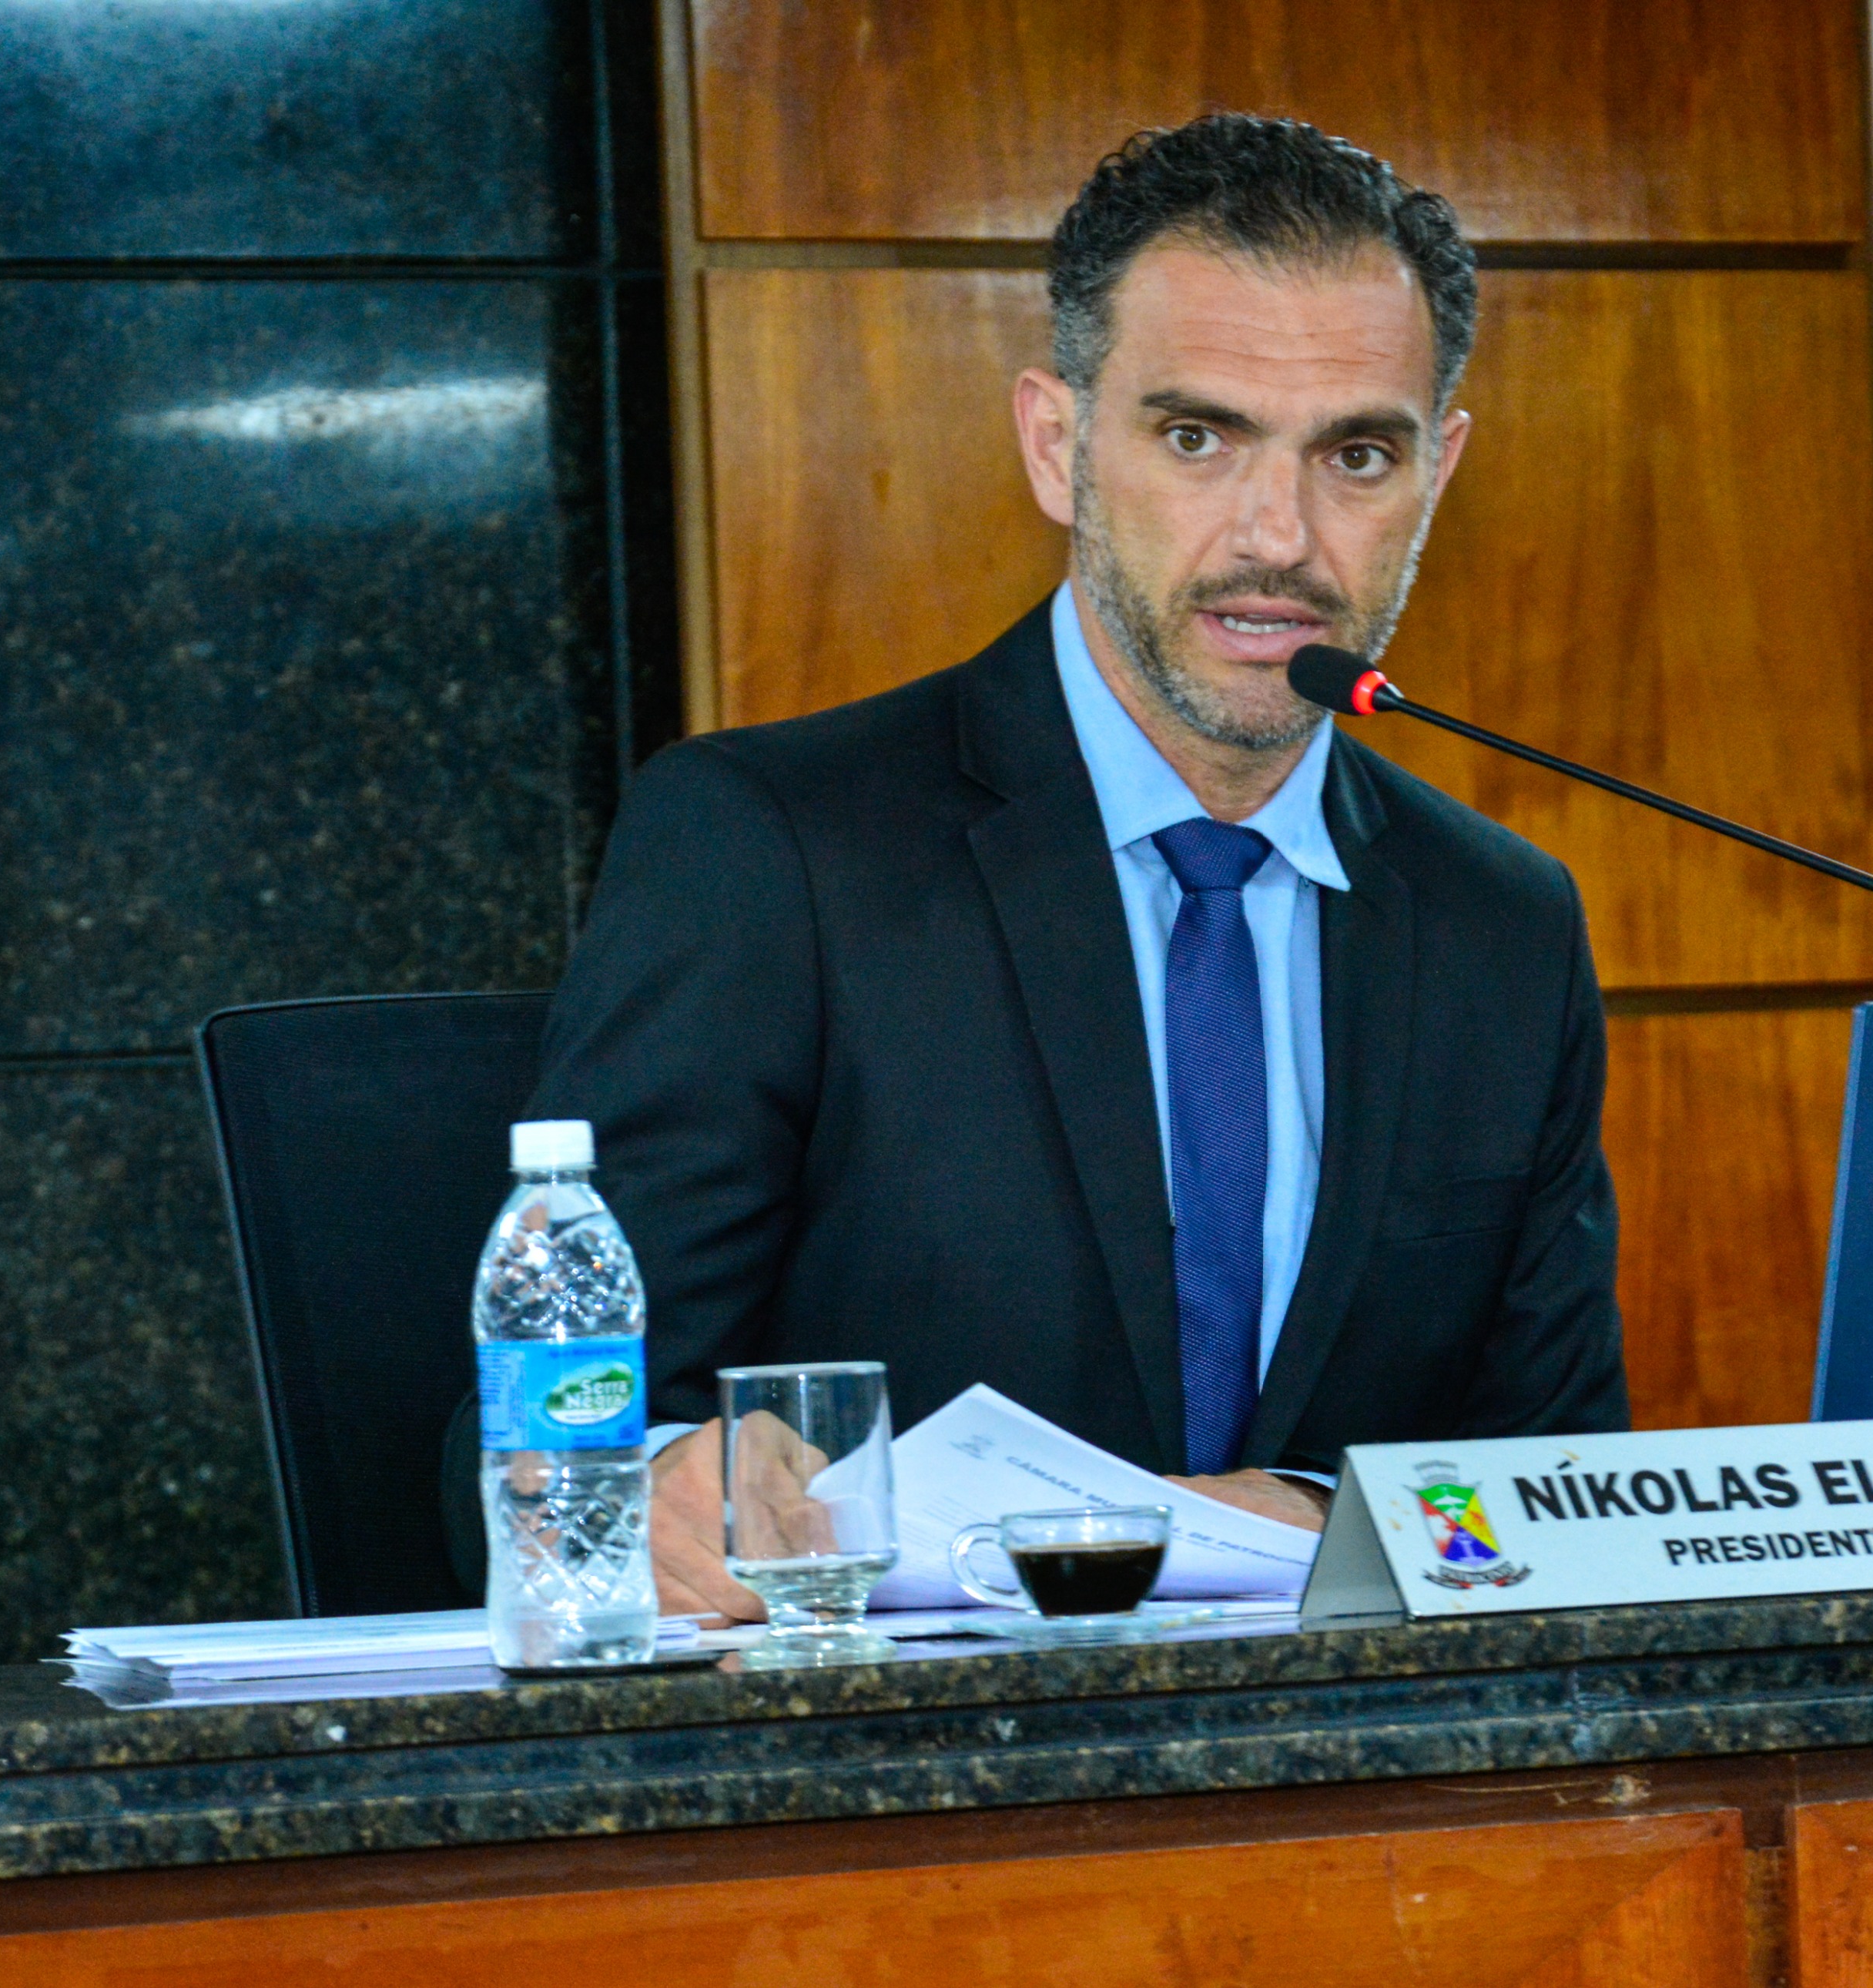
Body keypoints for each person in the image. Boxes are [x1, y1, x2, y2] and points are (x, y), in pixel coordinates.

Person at [518, 113, 1627, 1624]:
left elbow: (1561, 1487)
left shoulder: (1503, 921)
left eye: (1356, 456)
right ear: (1057, 444)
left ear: (1438, 469)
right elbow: (547, 1433)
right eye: (1198, 438)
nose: (1280, 537)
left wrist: (1316, 1512)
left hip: (1358, 1755)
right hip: (896, 1746)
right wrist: (651, 1480)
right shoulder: (768, 848)